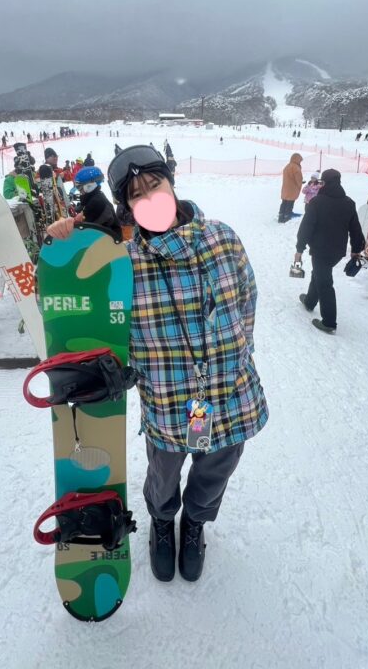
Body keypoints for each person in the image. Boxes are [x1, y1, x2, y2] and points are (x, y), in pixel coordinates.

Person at [47, 145, 268, 583]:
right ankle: (163, 522)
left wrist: (237, 355)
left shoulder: (222, 239)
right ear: (126, 207)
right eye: (136, 194)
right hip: (167, 401)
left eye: (155, 184)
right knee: (163, 474)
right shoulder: (123, 263)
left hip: (228, 395)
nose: (149, 197)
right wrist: (66, 244)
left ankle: (195, 524)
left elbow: (247, 300)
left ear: (171, 182)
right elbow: (84, 304)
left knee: (215, 470)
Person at [294, 168, 365, 333]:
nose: (320, 185)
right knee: (320, 274)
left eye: (321, 182)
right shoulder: (349, 203)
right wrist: (356, 249)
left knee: (324, 282)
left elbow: (306, 228)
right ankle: (310, 301)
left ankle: (329, 322)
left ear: (325, 183)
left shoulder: (316, 202)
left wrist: (299, 249)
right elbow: (356, 229)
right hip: (337, 252)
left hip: (320, 250)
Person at [71, 166, 121, 237]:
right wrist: (78, 208)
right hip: (105, 237)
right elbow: (85, 206)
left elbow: (84, 227)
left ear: (89, 186)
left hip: (109, 240)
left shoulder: (97, 202)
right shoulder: (95, 196)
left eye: (80, 188)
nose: (79, 191)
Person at [279, 153, 303, 223]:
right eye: (300, 160)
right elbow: (298, 179)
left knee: (284, 202)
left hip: (285, 187)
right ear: (297, 159)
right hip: (292, 188)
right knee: (290, 203)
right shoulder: (295, 167)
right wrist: (300, 184)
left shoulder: (287, 166)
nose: (300, 162)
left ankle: (281, 216)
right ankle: (287, 216)